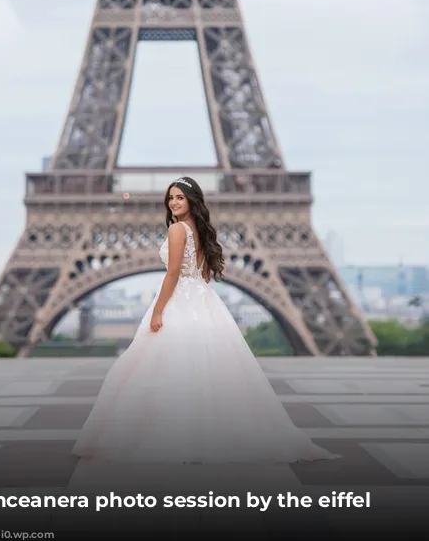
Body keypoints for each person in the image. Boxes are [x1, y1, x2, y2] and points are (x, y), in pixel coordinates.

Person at [71, 176, 340, 465]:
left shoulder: (176, 230)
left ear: (192, 201)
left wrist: (159, 310)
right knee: (203, 369)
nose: (173, 203)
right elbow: (205, 274)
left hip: (180, 301)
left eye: (180, 198)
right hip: (203, 301)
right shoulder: (200, 231)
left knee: (165, 369)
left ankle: (171, 439)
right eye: (170, 198)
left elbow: (173, 274)